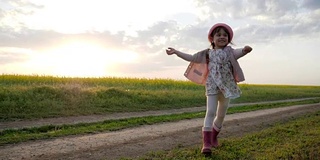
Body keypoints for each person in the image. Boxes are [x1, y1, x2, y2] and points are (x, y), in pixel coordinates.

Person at [165, 23, 252, 154]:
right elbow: (192, 57)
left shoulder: (230, 52)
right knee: (210, 112)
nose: (222, 37)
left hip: (227, 88)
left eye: (225, 35)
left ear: (229, 38)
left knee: (221, 115)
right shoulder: (207, 54)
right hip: (212, 86)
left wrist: (245, 50)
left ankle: (213, 137)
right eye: (218, 35)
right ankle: (206, 144)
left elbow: (239, 52)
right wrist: (176, 52)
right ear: (212, 38)